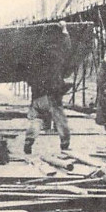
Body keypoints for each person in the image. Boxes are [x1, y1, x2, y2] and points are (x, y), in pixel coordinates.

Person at [24, 25, 72, 154]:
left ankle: (29, 141)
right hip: (54, 94)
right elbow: (67, 49)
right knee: (60, 120)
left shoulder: (34, 56)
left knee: (36, 119)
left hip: (38, 94)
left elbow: (29, 76)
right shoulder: (57, 54)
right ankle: (64, 143)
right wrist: (65, 31)